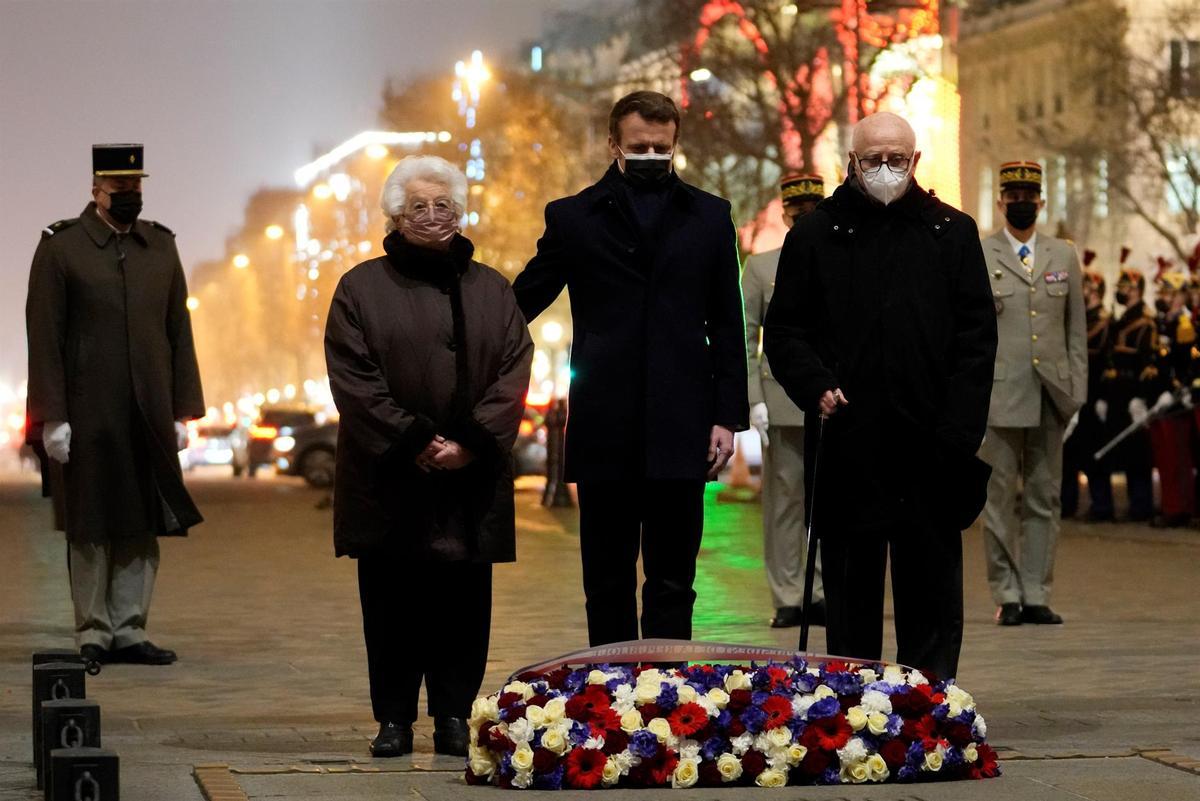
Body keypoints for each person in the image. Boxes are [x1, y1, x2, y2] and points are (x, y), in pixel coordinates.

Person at [764, 112, 996, 681]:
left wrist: (959, 432)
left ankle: (931, 705)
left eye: (897, 158)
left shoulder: (952, 232)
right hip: (851, 441)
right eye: (874, 159)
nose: (886, 169)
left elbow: (976, 340)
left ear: (916, 162)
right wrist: (815, 384)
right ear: (852, 162)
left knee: (933, 589)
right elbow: (786, 330)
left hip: (932, 445)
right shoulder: (817, 233)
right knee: (850, 589)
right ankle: (849, 704)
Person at [512, 90, 748, 647]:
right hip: (604, 424)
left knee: (674, 580)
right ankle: (608, 697)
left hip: (684, 424)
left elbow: (727, 322)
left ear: (676, 145)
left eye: (661, 148)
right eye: (638, 146)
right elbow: (521, 300)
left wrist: (727, 416)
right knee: (606, 579)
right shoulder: (573, 218)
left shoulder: (710, 216)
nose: (650, 155)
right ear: (614, 144)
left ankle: (670, 693)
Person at [324, 156, 533, 758]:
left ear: (461, 212)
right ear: (395, 214)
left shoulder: (492, 287)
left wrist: (471, 440)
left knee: (464, 607)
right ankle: (392, 718)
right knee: (390, 605)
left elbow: (514, 369)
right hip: (389, 476)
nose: (434, 216)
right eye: (419, 206)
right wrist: (416, 439)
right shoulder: (361, 287)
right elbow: (354, 378)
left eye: (444, 205)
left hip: (471, 479)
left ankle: (452, 716)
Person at [25, 144, 203, 667]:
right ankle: (93, 630)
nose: (129, 196)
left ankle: (130, 627)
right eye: (119, 189)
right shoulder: (62, 247)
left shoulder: (161, 247)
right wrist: (52, 416)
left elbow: (179, 332)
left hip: (148, 407)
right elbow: (45, 334)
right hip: (86, 411)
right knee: (90, 519)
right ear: (95, 190)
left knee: (141, 518)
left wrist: (182, 409)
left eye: (135, 188)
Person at [978, 161, 1086, 627]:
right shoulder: (981, 254)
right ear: (1002, 202)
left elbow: (1075, 330)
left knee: (1045, 497)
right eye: (1013, 196)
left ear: (1040, 202)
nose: (1022, 203)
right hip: (1000, 395)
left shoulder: (1063, 256)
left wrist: (1076, 393)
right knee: (998, 499)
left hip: (1052, 394)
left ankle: (1038, 591)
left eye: (1030, 196)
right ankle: (1007, 593)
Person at [742, 173, 825, 629]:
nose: (804, 218)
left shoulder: (842, 261)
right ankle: (789, 594)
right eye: (798, 212)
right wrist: (754, 399)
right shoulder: (761, 267)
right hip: (782, 399)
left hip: (833, 399)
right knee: (786, 503)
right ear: (786, 214)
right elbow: (743, 336)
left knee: (828, 503)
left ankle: (821, 591)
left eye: (812, 211)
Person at [1062, 258, 1116, 522]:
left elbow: (1087, 350)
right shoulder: (1081, 318)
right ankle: (1067, 502)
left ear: (1093, 291)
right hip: (1077, 392)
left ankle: (1102, 505)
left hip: (1094, 393)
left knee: (1094, 456)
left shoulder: (1101, 321)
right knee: (1070, 453)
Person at [1107, 261, 1157, 522]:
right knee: (1126, 452)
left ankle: (1142, 504)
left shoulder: (1145, 323)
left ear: (1136, 290)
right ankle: (1133, 503)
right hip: (1119, 393)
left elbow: (1148, 361)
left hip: (1134, 392)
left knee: (1139, 455)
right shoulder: (1123, 319)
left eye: (1125, 287)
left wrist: (1141, 396)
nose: (1122, 291)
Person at [1146, 269, 1197, 527]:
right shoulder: (1165, 321)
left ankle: (1180, 508)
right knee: (1164, 458)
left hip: (1177, 399)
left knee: (1178, 458)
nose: (1163, 297)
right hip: (1162, 398)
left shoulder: (1184, 324)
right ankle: (1170, 504)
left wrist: (1181, 388)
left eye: (1168, 293)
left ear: (1179, 296)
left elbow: (1186, 362)